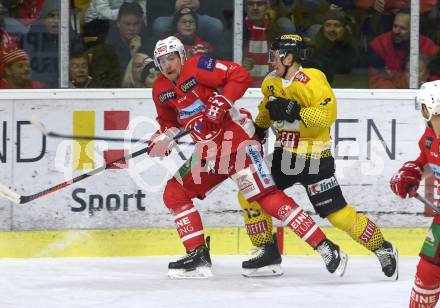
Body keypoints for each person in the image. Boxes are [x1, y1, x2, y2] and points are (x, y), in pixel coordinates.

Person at [149, 35, 348, 279]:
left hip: (237, 142)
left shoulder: (198, 66)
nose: (168, 65)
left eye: (171, 58)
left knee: (266, 198)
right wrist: (163, 138)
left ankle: (325, 247)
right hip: (209, 153)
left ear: (182, 57)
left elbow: (239, 75)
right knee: (175, 193)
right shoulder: (160, 89)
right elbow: (169, 122)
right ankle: (198, 256)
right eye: (162, 61)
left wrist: (223, 100)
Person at [236, 34, 398, 279]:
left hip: (314, 159)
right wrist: (257, 130)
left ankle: (382, 247)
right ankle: (268, 253)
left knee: (338, 214)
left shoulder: (313, 79)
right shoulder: (271, 82)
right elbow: (265, 111)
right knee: (248, 190)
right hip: (283, 157)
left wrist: (295, 111)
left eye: (276, 55)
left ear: (289, 57)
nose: (271, 60)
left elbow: (326, 116)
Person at [390, 80, 440, 307]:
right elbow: (424, 159)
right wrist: (412, 171)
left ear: (431, 107)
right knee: (428, 270)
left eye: (423, 107)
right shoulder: (429, 137)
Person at [367, 8, 439, 89]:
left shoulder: (429, 48)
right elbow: (376, 80)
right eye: (395, 26)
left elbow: (436, 81)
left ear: (414, 30)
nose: (396, 31)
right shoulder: (379, 45)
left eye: (402, 28)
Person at [105, 2, 154, 75]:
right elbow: (118, 74)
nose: (131, 28)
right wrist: (134, 57)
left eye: (136, 24)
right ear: (118, 23)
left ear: (141, 24)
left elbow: (149, 72)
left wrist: (137, 53)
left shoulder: (149, 42)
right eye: (127, 24)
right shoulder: (109, 44)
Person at [152, 0, 223, 46]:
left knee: (216, 25)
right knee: (160, 24)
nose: (187, 25)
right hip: (174, 14)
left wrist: (196, 3)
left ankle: (208, 48)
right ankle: (164, 48)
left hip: (197, 13)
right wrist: (175, 4)